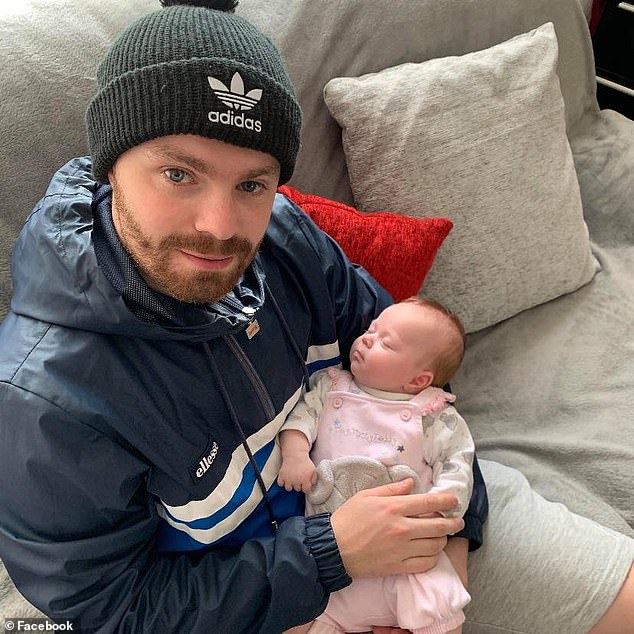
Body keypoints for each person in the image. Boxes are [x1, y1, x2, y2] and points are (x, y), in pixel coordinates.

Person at [0, 1, 632, 633]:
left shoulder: (288, 241)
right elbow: (114, 609)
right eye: (178, 173)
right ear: (111, 166)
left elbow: (419, 385)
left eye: (252, 185)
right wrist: (332, 554)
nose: (219, 227)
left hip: (403, 515)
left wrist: (449, 554)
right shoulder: (47, 402)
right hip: (249, 601)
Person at [278, 298, 473, 634]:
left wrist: (440, 507)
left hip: (407, 559)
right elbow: (300, 419)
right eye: (371, 329)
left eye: (386, 342)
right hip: (330, 554)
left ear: (418, 380)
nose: (367, 339)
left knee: (441, 610)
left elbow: (458, 463)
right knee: (296, 620)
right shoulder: (331, 387)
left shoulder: (433, 415)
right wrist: (296, 455)